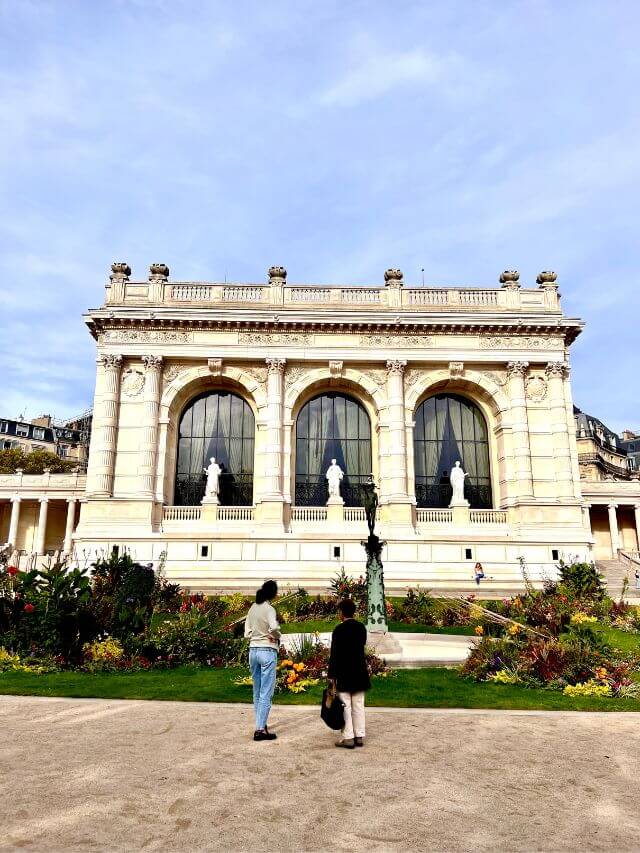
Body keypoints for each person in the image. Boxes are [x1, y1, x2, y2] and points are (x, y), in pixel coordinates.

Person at [328, 598, 371, 749]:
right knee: (358, 704)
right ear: (354, 612)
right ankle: (359, 735)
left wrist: (331, 676)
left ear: (341, 613)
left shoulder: (338, 630)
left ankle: (348, 737)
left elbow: (334, 655)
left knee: (345, 705)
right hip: (359, 671)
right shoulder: (361, 628)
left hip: (344, 672)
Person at [244, 580, 280, 741]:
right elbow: (274, 628)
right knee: (266, 691)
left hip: (253, 650)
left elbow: (247, 632)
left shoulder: (252, 608)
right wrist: (275, 636)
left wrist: (257, 637)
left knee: (257, 691)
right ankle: (259, 729)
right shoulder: (269, 609)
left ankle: (261, 723)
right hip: (267, 650)